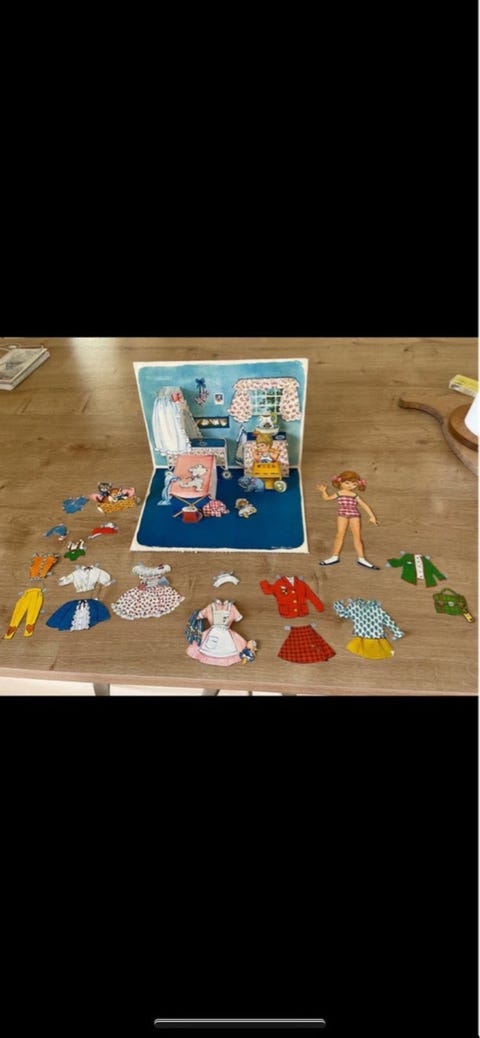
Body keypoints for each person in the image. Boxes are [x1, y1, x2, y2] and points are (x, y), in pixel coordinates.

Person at [316, 470, 379, 569]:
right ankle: (335, 556)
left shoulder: (354, 495)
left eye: (354, 484)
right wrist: (323, 491)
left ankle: (361, 558)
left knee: (357, 537)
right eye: (347, 483)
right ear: (340, 482)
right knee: (339, 535)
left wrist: (372, 516)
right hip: (342, 514)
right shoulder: (339, 493)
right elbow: (327, 498)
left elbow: (364, 505)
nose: (350, 486)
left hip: (354, 515)